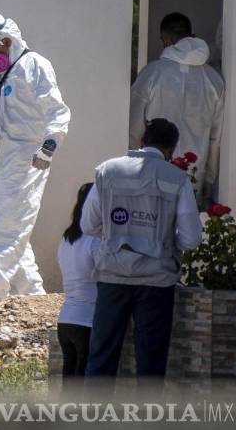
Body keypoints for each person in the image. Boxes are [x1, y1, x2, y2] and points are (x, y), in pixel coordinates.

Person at [0, 13, 71, 313]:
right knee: (5, 229)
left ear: (5, 41)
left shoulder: (35, 66)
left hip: (27, 160)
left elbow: (57, 111)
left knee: (7, 229)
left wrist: (49, 146)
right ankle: (34, 299)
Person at [82, 119, 204, 381]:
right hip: (156, 281)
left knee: (101, 354)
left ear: (141, 142)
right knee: (151, 360)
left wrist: (116, 236)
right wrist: (167, 244)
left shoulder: (107, 171)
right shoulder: (177, 178)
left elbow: (87, 225)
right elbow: (191, 238)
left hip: (112, 275)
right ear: (171, 149)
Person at [129, 12, 224, 197]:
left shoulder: (151, 74)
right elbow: (215, 137)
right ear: (192, 36)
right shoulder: (213, 79)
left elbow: (134, 128)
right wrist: (210, 178)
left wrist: (131, 165)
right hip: (195, 174)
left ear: (166, 39)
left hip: (153, 171)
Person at [56, 183, 98, 385]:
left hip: (65, 320)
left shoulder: (66, 239)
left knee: (69, 386)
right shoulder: (95, 240)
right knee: (81, 388)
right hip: (87, 321)